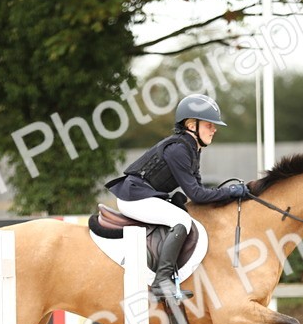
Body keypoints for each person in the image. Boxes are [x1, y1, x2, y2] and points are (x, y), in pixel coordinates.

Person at [106, 94, 248, 302]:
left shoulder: (192, 148)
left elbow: (198, 189)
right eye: (209, 125)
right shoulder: (178, 149)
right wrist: (231, 191)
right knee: (181, 220)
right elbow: (197, 194)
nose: (214, 129)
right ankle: (161, 282)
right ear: (191, 125)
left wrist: (229, 193)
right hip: (134, 197)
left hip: (146, 195)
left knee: (183, 214)